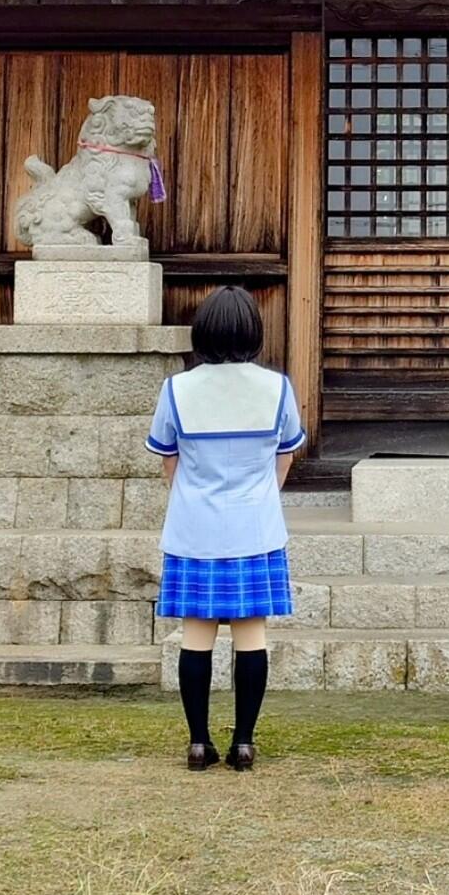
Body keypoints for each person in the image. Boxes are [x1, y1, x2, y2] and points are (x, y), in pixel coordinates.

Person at [145, 285, 304, 770]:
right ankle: (245, 742)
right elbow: (285, 454)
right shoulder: (277, 387)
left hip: (195, 528)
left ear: (203, 332)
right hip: (255, 528)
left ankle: (198, 742)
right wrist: (260, 496)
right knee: (250, 635)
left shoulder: (178, 388)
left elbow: (167, 460)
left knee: (196, 635)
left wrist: (193, 496)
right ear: (254, 332)